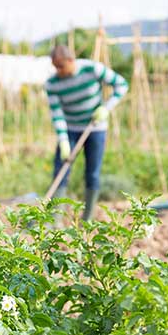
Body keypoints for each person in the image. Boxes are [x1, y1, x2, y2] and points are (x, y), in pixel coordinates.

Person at [44, 45, 128, 221]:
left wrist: (106, 107)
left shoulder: (92, 69)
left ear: (71, 60)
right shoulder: (52, 84)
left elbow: (121, 84)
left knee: (92, 173)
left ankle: (87, 219)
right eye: (55, 67)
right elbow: (57, 114)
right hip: (70, 129)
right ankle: (55, 221)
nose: (58, 70)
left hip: (95, 127)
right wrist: (64, 141)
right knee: (61, 170)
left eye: (61, 66)